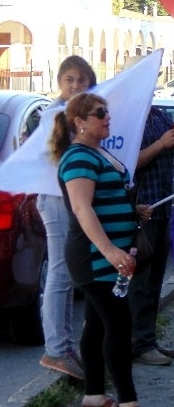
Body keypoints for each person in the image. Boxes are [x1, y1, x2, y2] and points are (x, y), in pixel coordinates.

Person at [50, 92, 147, 407]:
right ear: (79, 122)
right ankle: (128, 400)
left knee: (97, 325)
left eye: (107, 111)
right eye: (99, 112)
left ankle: (93, 394)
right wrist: (110, 252)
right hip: (95, 259)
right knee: (119, 326)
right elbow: (82, 208)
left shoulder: (98, 153)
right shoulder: (78, 157)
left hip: (110, 258)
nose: (107, 116)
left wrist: (134, 210)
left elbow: (105, 199)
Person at [38, 55, 97, 380]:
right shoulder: (55, 116)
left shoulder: (83, 113)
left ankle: (66, 346)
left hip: (73, 198)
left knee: (72, 272)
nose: (75, 85)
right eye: (69, 80)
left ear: (90, 81)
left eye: (81, 80)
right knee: (61, 273)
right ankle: (57, 350)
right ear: (60, 83)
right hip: (55, 198)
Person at [129, 96, 174, 365]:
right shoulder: (128, 120)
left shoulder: (158, 116)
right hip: (140, 210)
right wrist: (160, 144)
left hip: (161, 210)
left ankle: (147, 339)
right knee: (140, 282)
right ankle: (139, 342)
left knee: (154, 280)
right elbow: (128, 163)